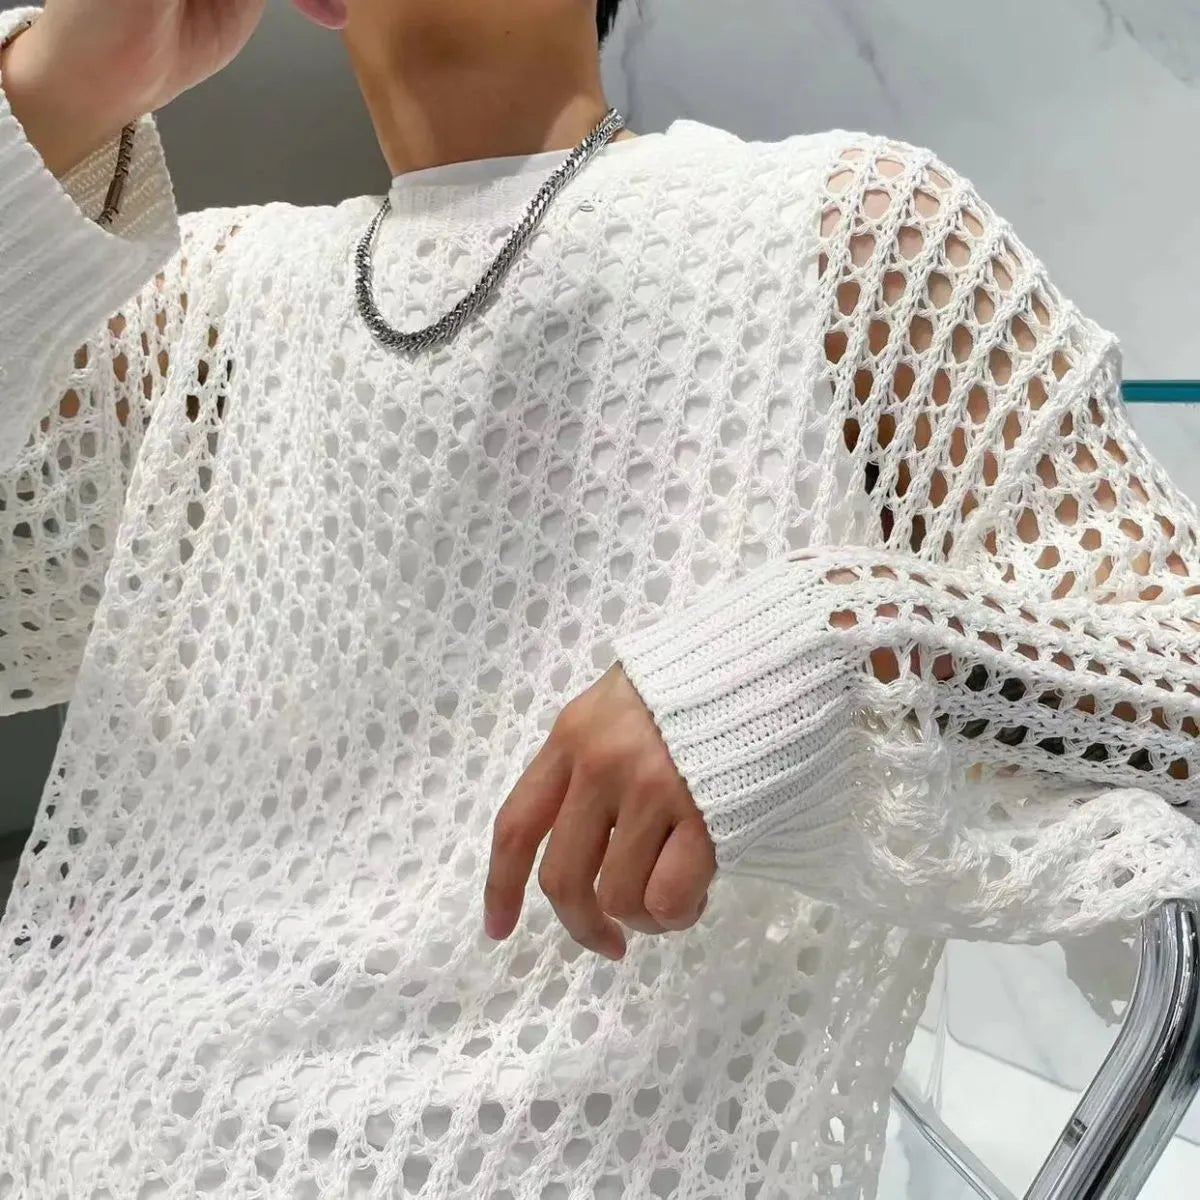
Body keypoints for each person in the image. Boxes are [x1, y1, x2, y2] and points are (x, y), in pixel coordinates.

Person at [1, 1, 1197, 1196]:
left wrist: (829, 648)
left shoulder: (849, 232)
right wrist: (56, 90)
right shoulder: (209, 304)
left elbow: (1176, 676)